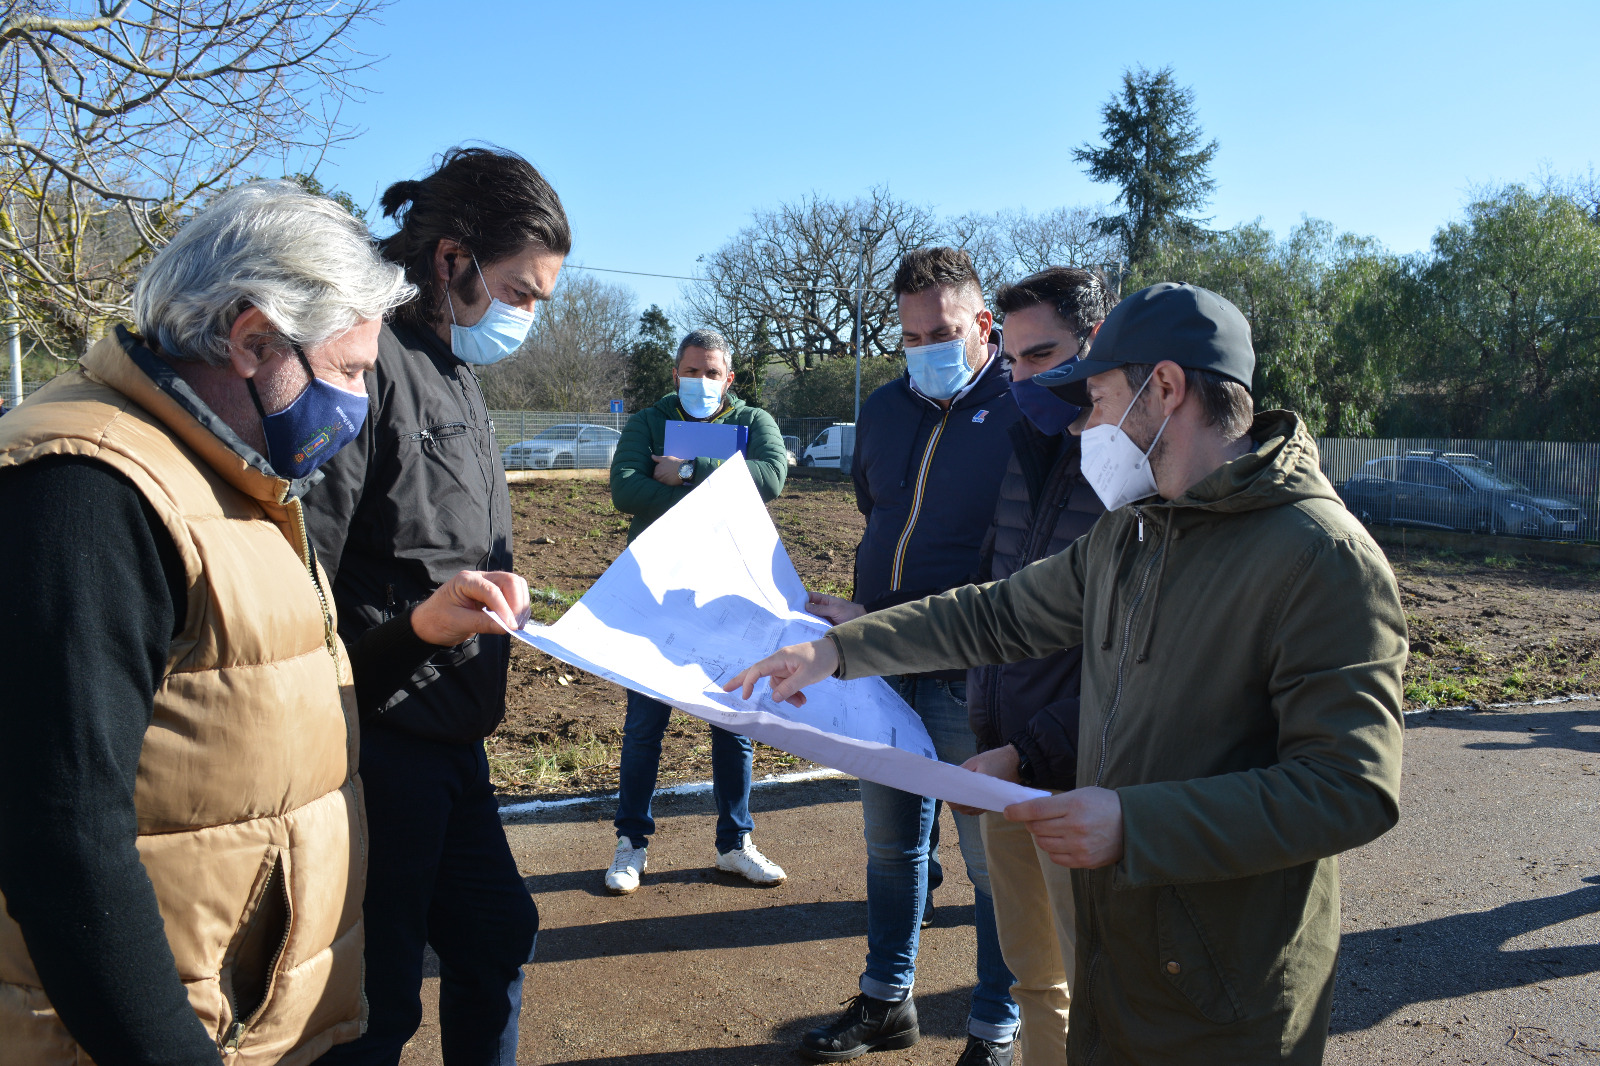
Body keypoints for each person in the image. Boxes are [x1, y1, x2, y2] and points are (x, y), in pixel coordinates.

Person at [728, 282, 1408, 1065]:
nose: (1084, 424)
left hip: (1226, 984)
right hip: (1123, 947)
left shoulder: (1321, 558)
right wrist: (840, 651)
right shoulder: (1134, 531)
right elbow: (995, 615)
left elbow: (1349, 788)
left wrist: (1133, 823)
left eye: (1097, 398)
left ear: (1165, 387)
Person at [0, 181, 530, 1065]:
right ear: (252, 341)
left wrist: (415, 632)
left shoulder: (232, 478)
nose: (361, 401)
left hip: (251, 1015)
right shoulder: (85, 495)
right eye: (353, 370)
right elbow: (64, 844)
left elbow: (275, 686)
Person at [302, 147, 567, 1065]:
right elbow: (304, 591)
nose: (530, 315)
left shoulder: (457, 369)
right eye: (520, 290)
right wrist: (417, 629)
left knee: (496, 934)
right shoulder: (362, 363)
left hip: (456, 732)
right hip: (380, 743)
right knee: (377, 1000)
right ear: (451, 258)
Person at [800, 247, 1022, 1066]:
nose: (924, 346)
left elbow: (1020, 565)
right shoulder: (888, 410)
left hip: (977, 675)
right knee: (893, 850)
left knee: (993, 864)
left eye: (943, 331)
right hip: (886, 671)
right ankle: (887, 1001)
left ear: (982, 325)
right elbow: (878, 513)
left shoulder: (1023, 412)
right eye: (908, 334)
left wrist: (879, 615)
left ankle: (997, 1024)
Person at [955, 267, 1110, 1066]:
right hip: (1010, 765)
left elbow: (1135, 661)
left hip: (1081, 777)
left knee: (1099, 984)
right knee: (1034, 978)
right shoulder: (1025, 449)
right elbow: (994, 604)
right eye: (1012, 360)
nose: (1022, 379)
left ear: (1097, 344)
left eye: (1043, 356)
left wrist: (1034, 747)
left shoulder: (1134, 470)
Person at [605, 327, 790, 893]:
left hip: (726, 591)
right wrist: (722, 483)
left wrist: (686, 472)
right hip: (656, 588)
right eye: (692, 370)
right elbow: (626, 489)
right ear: (676, 372)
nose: (701, 381)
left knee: (731, 721)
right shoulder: (647, 421)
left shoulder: (755, 422)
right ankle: (630, 842)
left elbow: (772, 478)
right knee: (645, 724)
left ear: (728, 378)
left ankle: (735, 843)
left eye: (712, 373)